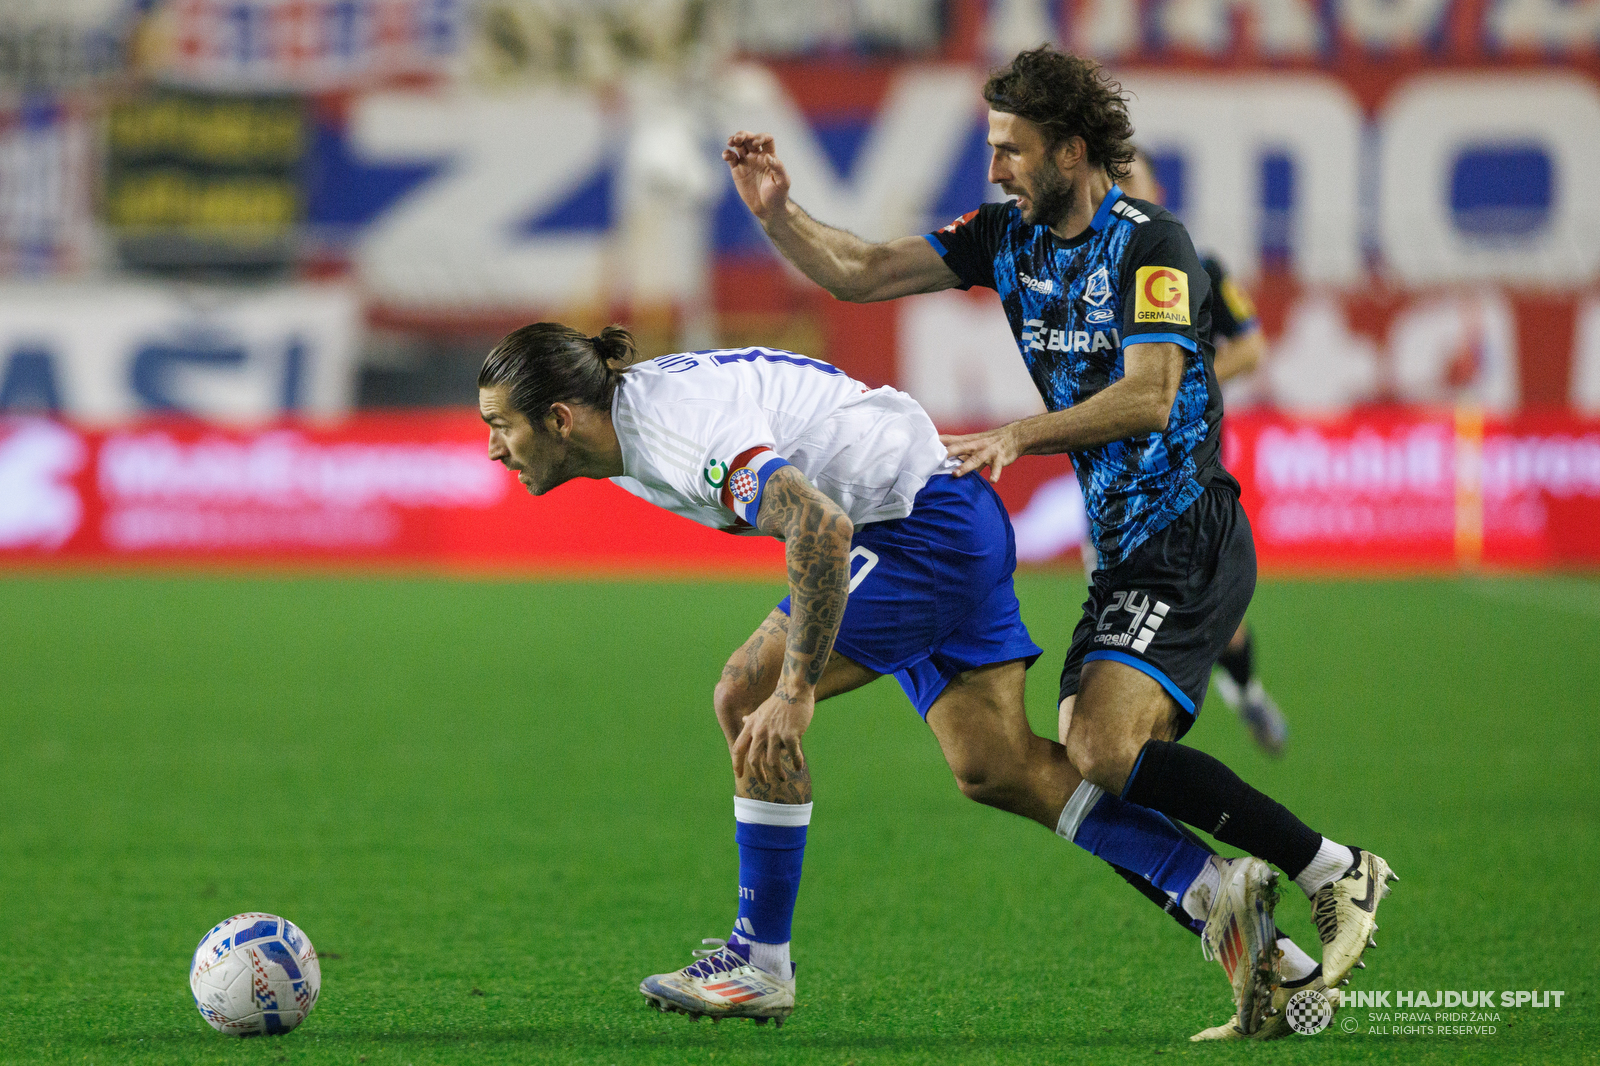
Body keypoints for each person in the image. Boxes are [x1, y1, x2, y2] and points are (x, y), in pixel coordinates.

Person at [721, 44, 1394, 1040]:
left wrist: (1018, 433)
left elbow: (1151, 392)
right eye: (992, 148)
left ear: (1073, 150)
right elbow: (862, 270)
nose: (994, 168)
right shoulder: (1005, 237)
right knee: (1079, 759)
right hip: (1120, 552)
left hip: (1188, 532)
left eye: (1012, 150)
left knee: (1098, 747)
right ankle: (1271, 962)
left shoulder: (1150, 243)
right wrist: (777, 212)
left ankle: (1330, 868)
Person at [480, 323, 1287, 1034]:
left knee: (750, 695)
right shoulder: (622, 423)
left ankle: (759, 961)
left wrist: (795, 694)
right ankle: (1221, 896)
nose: (491, 448)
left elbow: (819, 526)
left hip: (919, 530)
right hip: (939, 513)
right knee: (993, 765)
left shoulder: (672, 432)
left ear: (559, 417)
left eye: (499, 427)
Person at [1107, 148, 1288, 756]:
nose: (1120, 190)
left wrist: (1182, 382)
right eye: (1112, 181)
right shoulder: (1093, 272)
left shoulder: (1199, 265)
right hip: (1114, 480)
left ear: (1157, 187)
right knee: (1116, 606)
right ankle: (1124, 740)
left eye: (1130, 177)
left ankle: (1247, 694)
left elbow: (1254, 348)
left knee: (1223, 624)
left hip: (1190, 473)